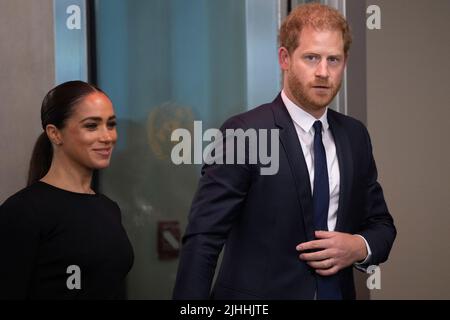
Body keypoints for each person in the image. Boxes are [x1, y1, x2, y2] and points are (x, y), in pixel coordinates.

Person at [173, 3, 396, 300]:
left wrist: (358, 246)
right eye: (311, 58)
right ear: (285, 58)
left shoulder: (354, 136)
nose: (323, 72)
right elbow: (204, 238)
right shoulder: (246, 133)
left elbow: (382, 225)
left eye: (334, 60)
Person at [0, 81, 134, 299]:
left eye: (111, 124)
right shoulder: (23, 211)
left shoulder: (109, 209)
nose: (107, 137)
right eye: (92, 126)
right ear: (55, 134)